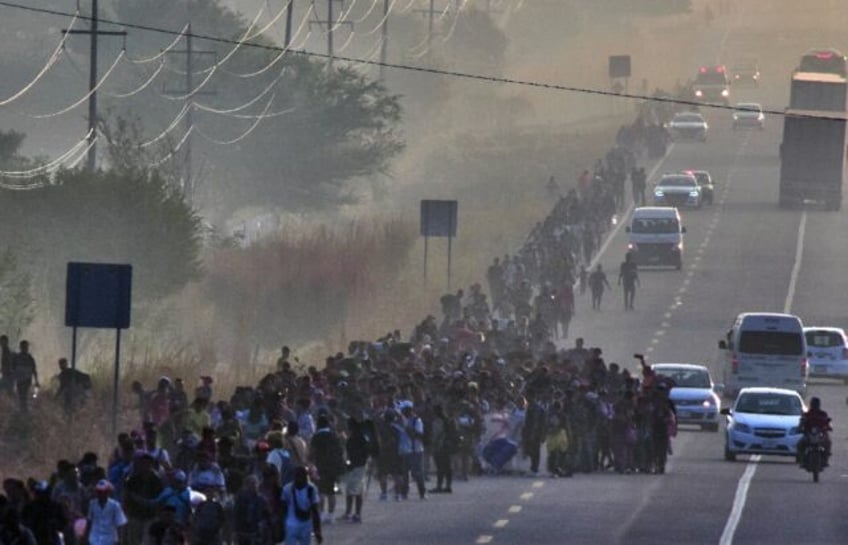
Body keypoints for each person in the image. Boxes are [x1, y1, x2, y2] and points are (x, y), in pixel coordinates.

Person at [280, 466, 322, 545]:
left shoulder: (287, 489)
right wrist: (317, 530)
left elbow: (283, 509)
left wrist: (317, 530)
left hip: (297, 526)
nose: (299, 479)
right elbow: (315, 511)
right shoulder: (311, 488)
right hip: (299, 525)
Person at [85, 480, 128, 545]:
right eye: (99, 492)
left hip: (110, 540)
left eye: (104, 492)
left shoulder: (115, 505)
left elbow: (120, 524)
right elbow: (89, 522)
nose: (101, 494)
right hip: (94, 539)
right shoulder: (92, 504)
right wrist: (85, 538)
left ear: (108, 492)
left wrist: (120, 540)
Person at [797, 396, 832, 465]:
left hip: (821, 435)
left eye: (816, 404)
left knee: (828, 442)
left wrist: (828, 427)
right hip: (808, 435)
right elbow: (801, 422)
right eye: (814, 404)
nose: (815, 406)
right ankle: (802, 460)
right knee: (800, 444)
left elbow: (828, 422)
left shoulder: (823, 414)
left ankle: (825, 459)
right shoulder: (807, 414)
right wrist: (800, 428)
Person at [12, 340, 38, 412]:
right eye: (23, 347)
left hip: (27, 380)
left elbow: (34, 370)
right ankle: (22, 409)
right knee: (21, 395)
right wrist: (13, 379)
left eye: (26, 347)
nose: (25, 348)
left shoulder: (30, 358)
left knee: (25, 395)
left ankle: (25, 410)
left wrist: (36, 381)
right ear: (20, 347)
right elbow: (13, 369)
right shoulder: (17, 358)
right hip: (19, 380)